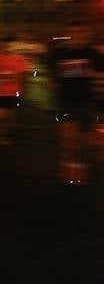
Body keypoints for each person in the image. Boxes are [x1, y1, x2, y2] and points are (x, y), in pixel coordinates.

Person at [47, 20, 103, 184]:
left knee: (85, 140)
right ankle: (68, 167)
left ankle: (82, 166)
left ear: (87, 35)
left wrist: (92, 74)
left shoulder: (93, 54)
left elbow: (101, 74)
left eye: (82, 33)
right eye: (75, 33)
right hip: (65, 100)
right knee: (68, 136)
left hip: (87, 101)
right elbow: (52, 76)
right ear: (69, 34)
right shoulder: (58, 54)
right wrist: (53, 82)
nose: (78, 36)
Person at [0, 35, 32, 146]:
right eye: (3, 45)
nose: (5, 47)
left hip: (13, 92)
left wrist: (22, 90)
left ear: (12, 46)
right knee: (0, 114)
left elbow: (23, 75)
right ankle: (2, 134)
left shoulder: (19, 59)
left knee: (10, 116)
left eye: (8, 45)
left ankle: (5, 131)